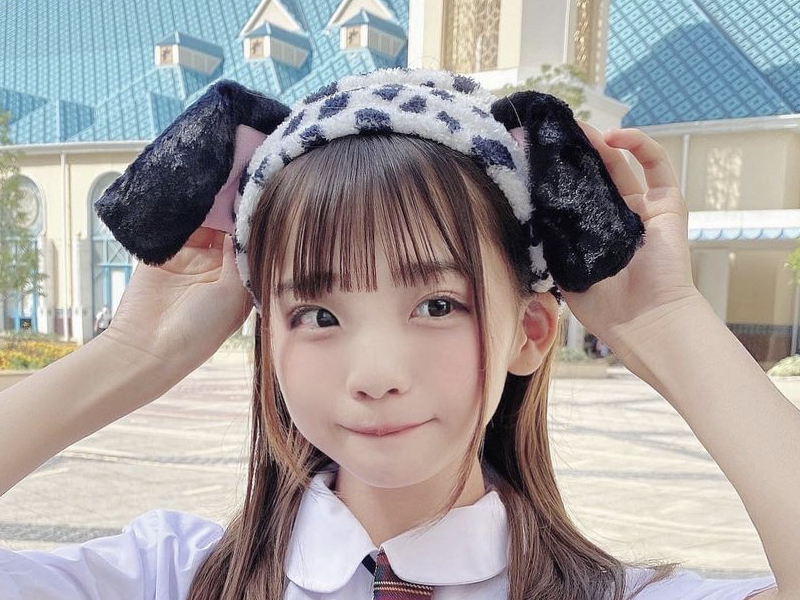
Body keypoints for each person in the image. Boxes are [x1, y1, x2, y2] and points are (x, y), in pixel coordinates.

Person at [0, 69, 795, 600]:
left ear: (530, 331)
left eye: (437, 305)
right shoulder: (172, 578)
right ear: (269, 341)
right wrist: (134, 355)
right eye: (318, 316)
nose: (375, 373)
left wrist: (663, 320)